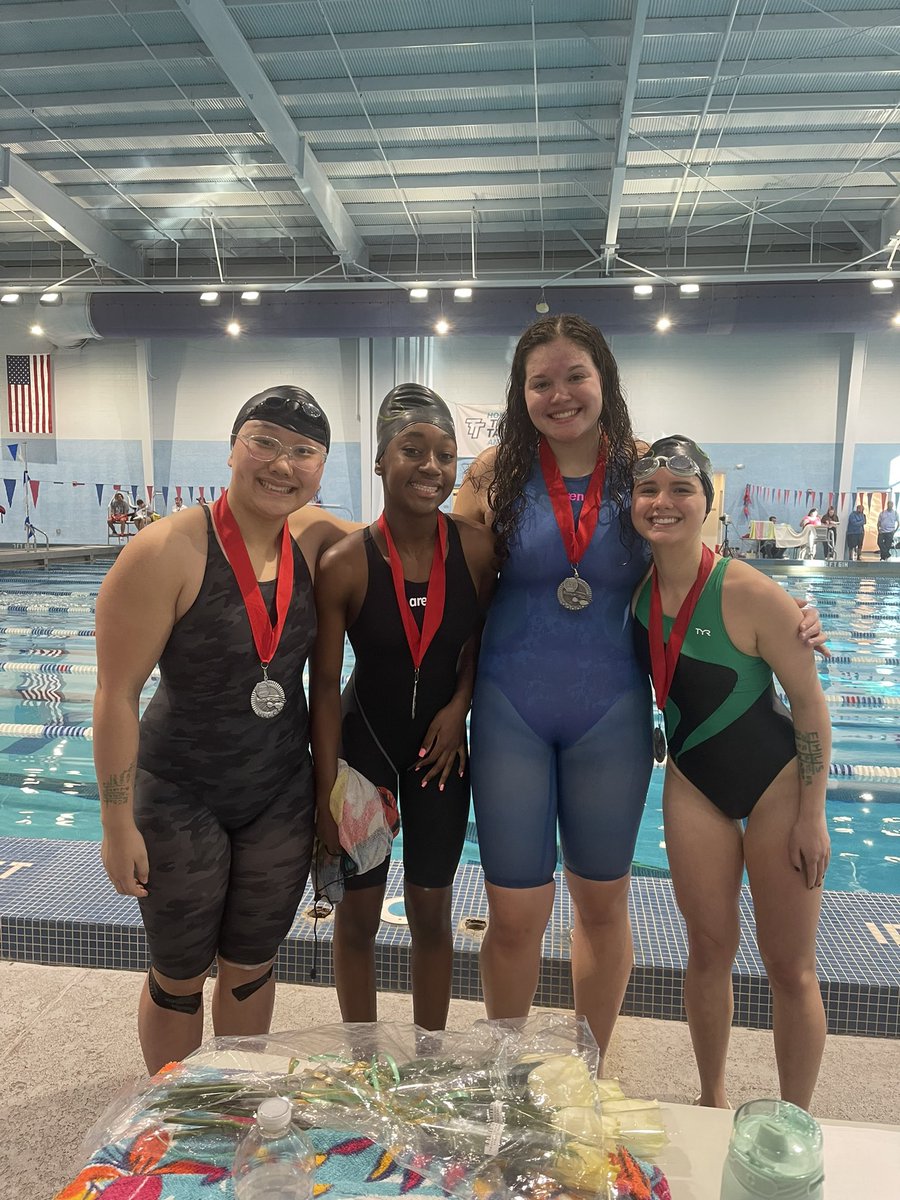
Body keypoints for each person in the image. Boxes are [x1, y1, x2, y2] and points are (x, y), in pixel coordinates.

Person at [453, 314, 824, 1062]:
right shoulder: (495, 473)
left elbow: (698, 566)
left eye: (575, 377)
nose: (560, 395)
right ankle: (505, 1075)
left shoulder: (640, 470)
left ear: (605, 381)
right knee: (514, 913)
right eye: (541, 382)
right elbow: (437, 568)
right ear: (520, 392)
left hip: (610, 717)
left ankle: (588, 1070)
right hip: (507, 712)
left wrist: (791, 613)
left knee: (602, 904)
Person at [93, 385, 355, 1074]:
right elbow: (115, 697)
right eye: (264, 441)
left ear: (322, 467)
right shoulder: (166, 551)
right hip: (181, 791)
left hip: (277, 793)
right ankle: (172, 1124)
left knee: (251, 966)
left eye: (303, 451)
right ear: (234, 448)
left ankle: (232, 1104)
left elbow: (420, 544)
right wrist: (116, 824)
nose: (281, 464)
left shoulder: (318, 537)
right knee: (180, 976)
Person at [631, 436, 831, 1110]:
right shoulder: (631, 590)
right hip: (694, 784)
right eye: (648, 490)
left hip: (777, 786)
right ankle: (712, 1100)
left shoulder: (747, 590)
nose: (663, 502)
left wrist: (812, 814)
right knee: (709, 948)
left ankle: (795, 1118)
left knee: (788, 966)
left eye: (681, 490)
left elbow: (809, 704)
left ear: (706, 504)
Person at [311, 384, 495, 1030]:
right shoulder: (344, 564)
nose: (431, 467)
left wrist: (461, 706)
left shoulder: (475, 550)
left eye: (445, 455)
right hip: (365, 755)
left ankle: (429, 1057)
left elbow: (477, 647)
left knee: (431, 912)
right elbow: (326, 685)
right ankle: (362, 1062)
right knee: (358, 917)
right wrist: (325, 791)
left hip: (441, 758)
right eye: (412, 450)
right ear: (381, 461)